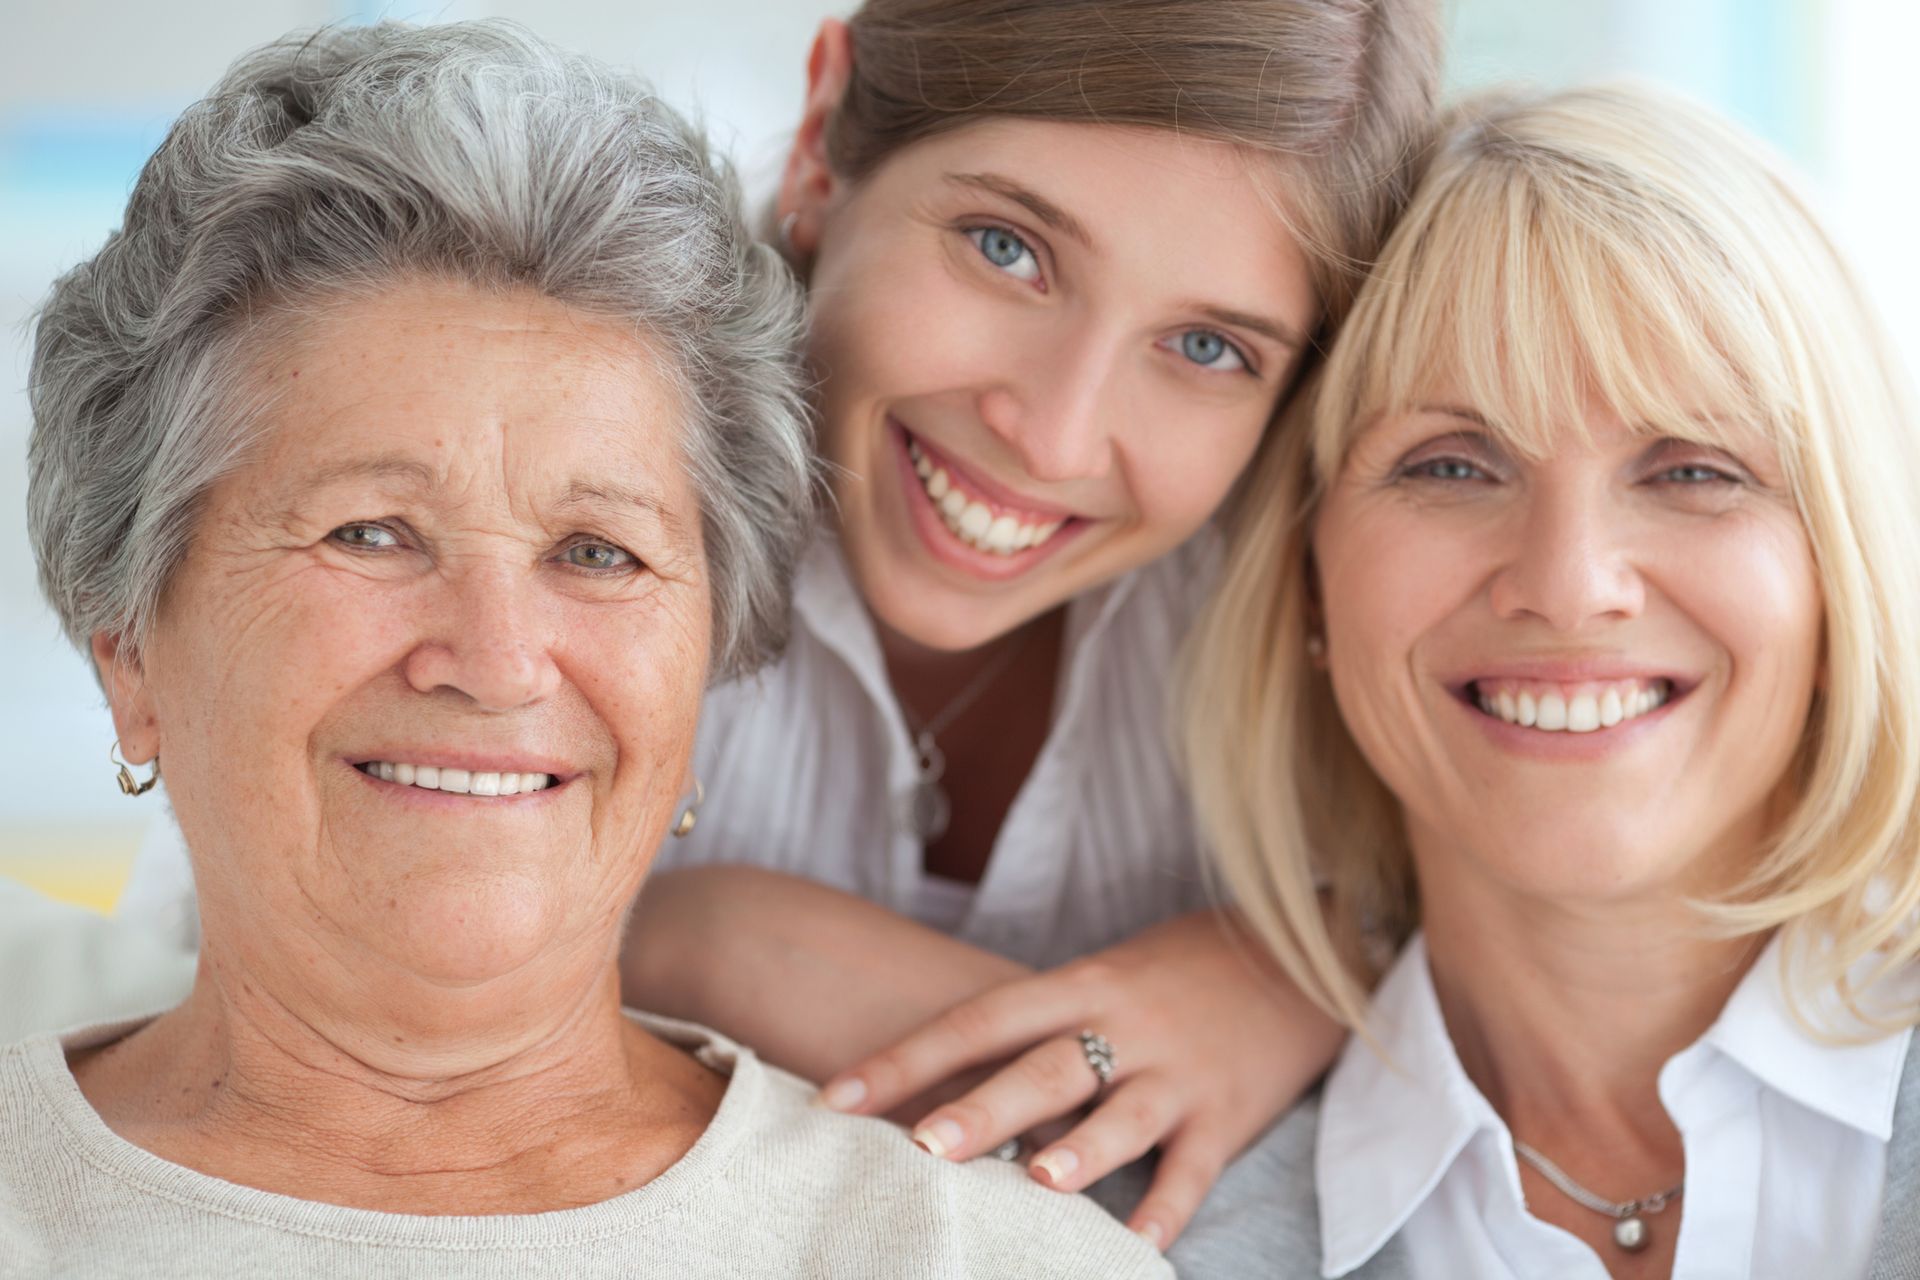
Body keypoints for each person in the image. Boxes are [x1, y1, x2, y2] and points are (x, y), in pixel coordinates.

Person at [113, 0, 1447, 1243]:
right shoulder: (568, 489)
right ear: (823, 140)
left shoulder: (1294, 608)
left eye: (1209, 347)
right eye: (1009, 249)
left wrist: (1309, 973)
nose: (1053, 431)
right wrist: (705, 942)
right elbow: (272, 991)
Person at [1168, 84, 1920, 1278]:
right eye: (1454, 464)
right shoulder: (1124, 1222)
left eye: (1693, 470)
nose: (1568, 586)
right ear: (1309, 580)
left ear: (1844, 569)